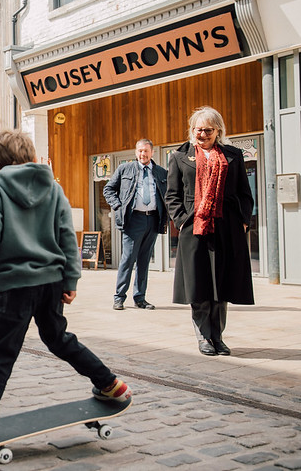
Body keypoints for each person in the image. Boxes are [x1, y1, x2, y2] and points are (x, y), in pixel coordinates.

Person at [0, 129, 132, 442]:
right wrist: (71, 279)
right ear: (30, 157)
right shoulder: (53, 187)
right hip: (51, 283)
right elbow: (67, 238)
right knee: (58, 338)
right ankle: (110, 384)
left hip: (16, 287)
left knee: (1, 353)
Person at [165, 106, 254, 356]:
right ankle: (204, 336)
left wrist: (243, 221)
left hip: (226, 227)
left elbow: (245, 195)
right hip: (194, 228)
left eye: (207, 130)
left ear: (218, 131)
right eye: (197, 129)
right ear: (191, 130)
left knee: (221, 285)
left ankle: (218, 336)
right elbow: (172, 195)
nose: (202, 134)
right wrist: (181, 220)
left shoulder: (233, 155)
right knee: (199, 284)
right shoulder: (179, 156)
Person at [102, 139, 168, 310]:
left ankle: (140, 298)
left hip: (153, 219)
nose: (142, 154)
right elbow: (108, 189)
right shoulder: (125, 169)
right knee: (128, 259)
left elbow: (168, 195)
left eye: (146, 151)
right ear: (135, 152)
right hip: (134, 220)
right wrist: (118, 205)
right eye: (139, 151)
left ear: (152, 152)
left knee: (144, 261)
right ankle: (119, 297)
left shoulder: (161, 172)